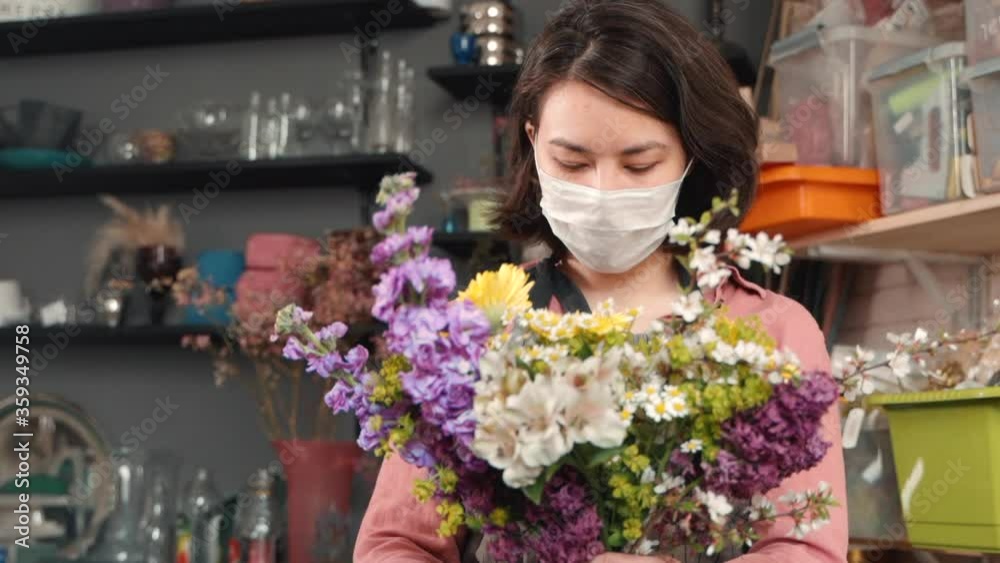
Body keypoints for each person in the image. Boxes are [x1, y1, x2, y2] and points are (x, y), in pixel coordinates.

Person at [354, 0, 848, 561]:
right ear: (533, 141)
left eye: (639, 165)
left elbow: (805, 548)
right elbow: (395, 543)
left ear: (692, 156)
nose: (604, 191)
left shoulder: (773, 332)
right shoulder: (473, 331)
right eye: (572, 163)